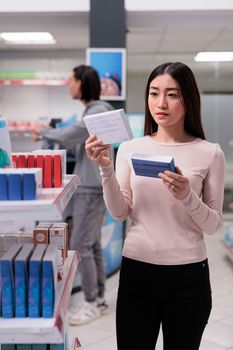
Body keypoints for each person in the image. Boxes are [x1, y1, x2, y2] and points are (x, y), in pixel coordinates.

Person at [85, 62, 225, 349]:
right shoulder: (130, 148)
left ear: (188, 99)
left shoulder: (210, 153)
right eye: (154, 93)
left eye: (172, 94)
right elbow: (119, 211)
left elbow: (213, 225)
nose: (161, 103)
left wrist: (187, 195)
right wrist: (106, 169)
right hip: (138, 271)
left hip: (189, 276)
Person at [33, 65, 113, 325]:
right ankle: (98, 298)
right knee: (91, 245)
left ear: (83, 82)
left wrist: (45, 132)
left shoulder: (98, 111)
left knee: (80, 245)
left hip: (91, 189)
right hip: (91, 187)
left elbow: (73, 134)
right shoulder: (93, 110)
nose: (69, 85)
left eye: (72, 80)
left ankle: (91, 302)